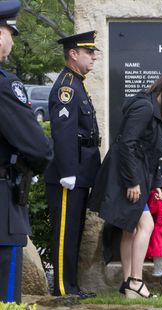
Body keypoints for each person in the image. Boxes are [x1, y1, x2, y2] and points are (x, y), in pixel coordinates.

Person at [89, 71, 162, 298]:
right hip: (127, 177)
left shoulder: (150, 107)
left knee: (130, 228)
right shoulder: (145, 108)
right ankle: (135, 280)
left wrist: (155, 187)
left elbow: (152, 154)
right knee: (146, 225)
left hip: (134, 176)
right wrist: (132, 181)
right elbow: (126, 144)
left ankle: (127, 284)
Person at [0, 0, 53, 303]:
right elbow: (38, 147)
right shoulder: (5, 85)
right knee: (5, 298)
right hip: (2, 206)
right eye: (10, 32)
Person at [44, 31, 101, 299]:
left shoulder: (78, 83)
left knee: (74, 229)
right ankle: (65, 289)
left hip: (80, 169)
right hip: (70, 172)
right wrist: (68, 172)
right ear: (73, 54)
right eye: (89, 52)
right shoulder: (67, 86)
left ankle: (72, 287)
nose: (93, 57)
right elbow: (64, 132)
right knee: (67, 231)